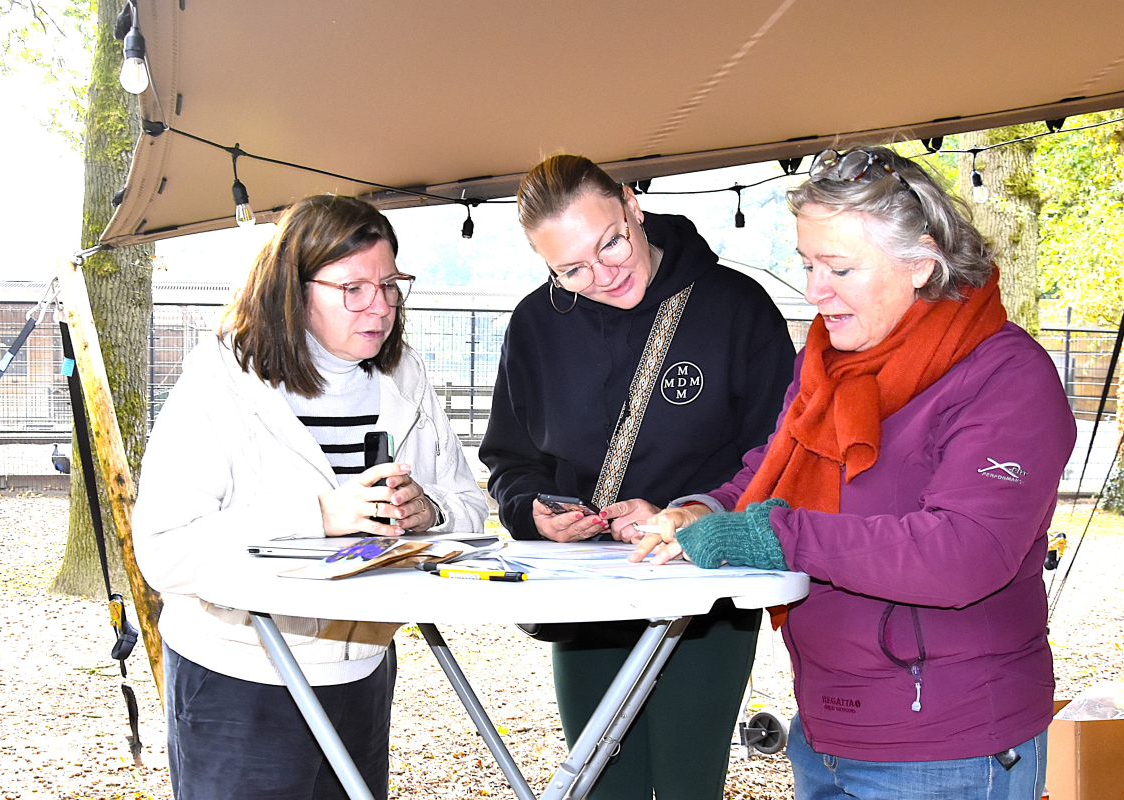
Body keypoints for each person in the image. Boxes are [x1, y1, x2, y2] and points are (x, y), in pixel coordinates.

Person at [632, 146, 1076, 800]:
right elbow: (768, 477)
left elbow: (964, 552)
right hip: (826, 731)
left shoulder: (1006, 378)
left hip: (951, 746)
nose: (814, 290)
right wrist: (701, 508)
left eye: (839, 267)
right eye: (808, 264)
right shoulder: (829, 365)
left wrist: (776, 537)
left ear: (921, 264)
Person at [133, 194, 489, 800]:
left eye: (390, 283)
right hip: (241, 674)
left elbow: (470, 508)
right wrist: (319, 517)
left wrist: (429, 511)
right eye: (353, 288)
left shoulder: (405, 377)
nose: (380, 306)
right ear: (292, 291)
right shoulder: (221, 382)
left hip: (361, 667)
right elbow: (163, 548)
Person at [479, 154, 795, 799]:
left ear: (631, 205)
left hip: (703, 586)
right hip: (586, 593)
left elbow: (780, 451)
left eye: (611, 242)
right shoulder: (537, 322)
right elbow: (510, 459)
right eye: (570, 270)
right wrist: (532, 512)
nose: (602, 275)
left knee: (688, 781)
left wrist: (689, 510)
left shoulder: (734, 306)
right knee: (599, 781)